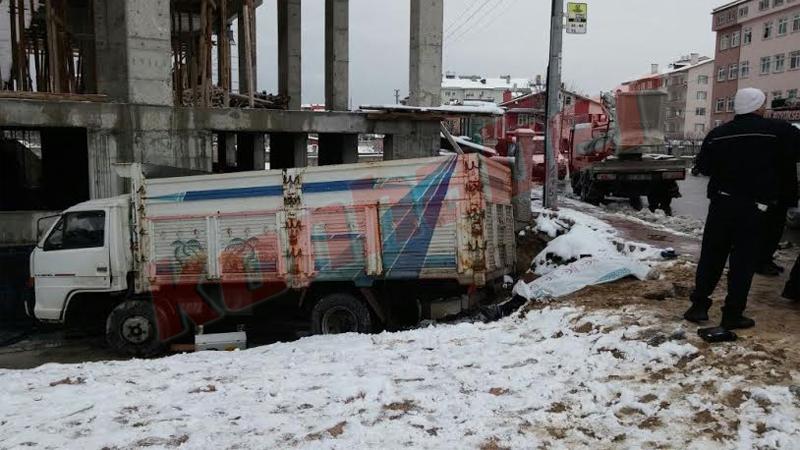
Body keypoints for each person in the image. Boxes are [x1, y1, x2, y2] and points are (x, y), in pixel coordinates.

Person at [684, 88, 799, 330]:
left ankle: (699, 307)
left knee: (711, 257)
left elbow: (703, 166)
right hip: (756, 208)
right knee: (743, 263)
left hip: (722, 204)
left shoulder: (718, 133)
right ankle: (732, 314)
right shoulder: (778, 131)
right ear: (758, 106)